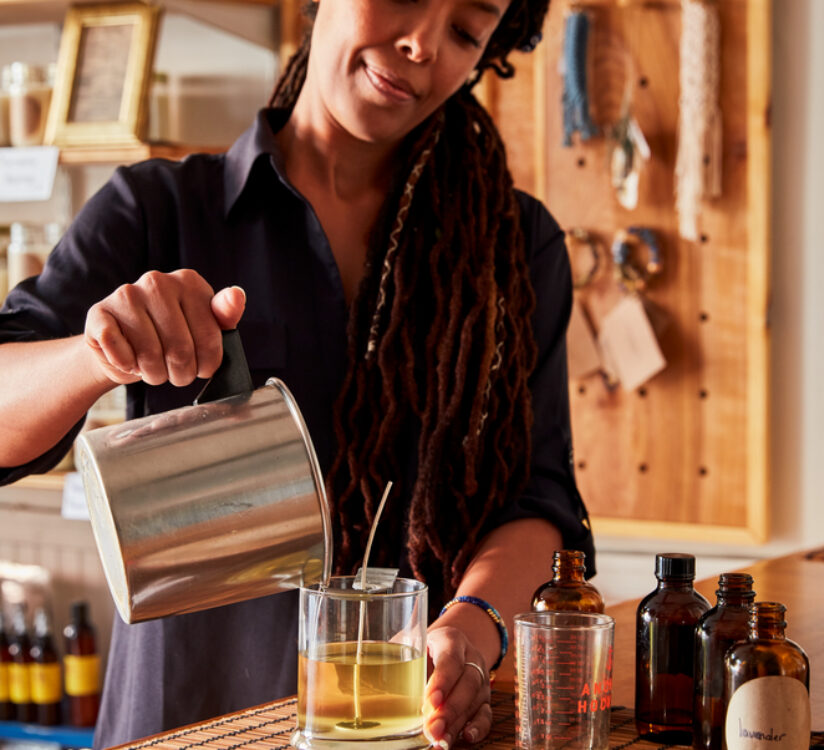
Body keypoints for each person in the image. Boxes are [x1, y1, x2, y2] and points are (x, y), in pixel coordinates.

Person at [0, 0, 595, 747]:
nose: (421, 43)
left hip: (400, 725)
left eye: (466, 31)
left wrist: (470, 630)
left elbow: (537, 501)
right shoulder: (159, 211)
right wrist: (96, 353)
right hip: (182, 727)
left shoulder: (515, 247)